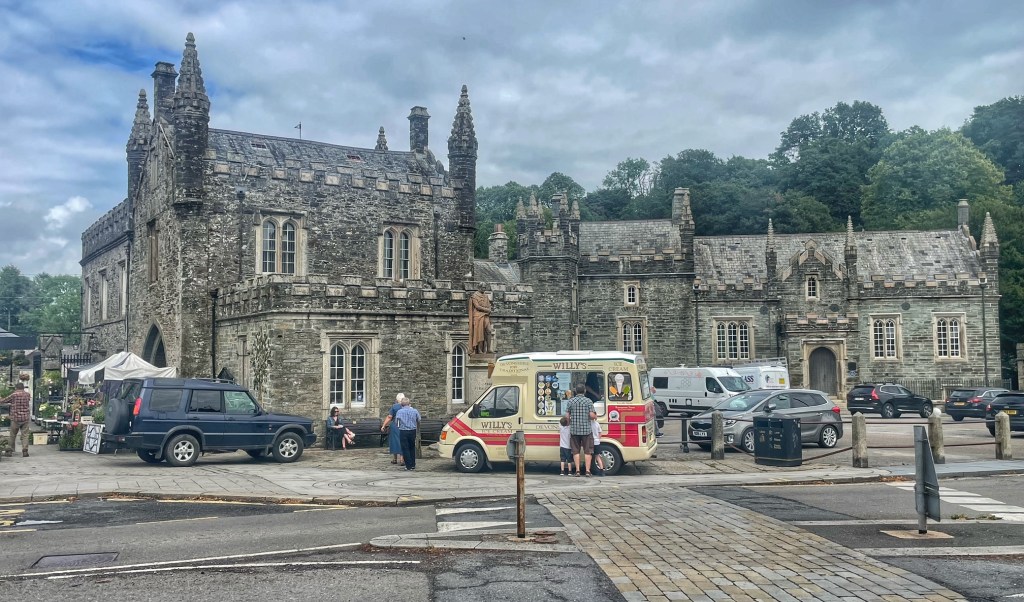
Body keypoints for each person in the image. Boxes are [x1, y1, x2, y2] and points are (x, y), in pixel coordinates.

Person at [564, 383, 596, 477]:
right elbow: (591, 415)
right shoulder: (588, 401)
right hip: (586, 430)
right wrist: (595, 416)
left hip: (574, 430)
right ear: (585, 391)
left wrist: (569, 423)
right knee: (588, 451)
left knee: (575, 451)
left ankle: (577, 471)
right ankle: (587, 471)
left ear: (575, 391)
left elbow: (567, 416)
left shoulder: (571, 401)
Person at [2, 382, 31, 457]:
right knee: (25, 435)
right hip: (25, 418)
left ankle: (10, 451)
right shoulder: (27, 394)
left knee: (12, 435)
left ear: (16, 388)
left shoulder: (14, 395)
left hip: (15, 418)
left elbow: (4, 401)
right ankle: (25, 450)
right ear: (23, 387)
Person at [394, 396, 421, 470]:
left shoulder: (399, 412)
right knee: (412, 447)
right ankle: (413, 464)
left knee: (405, 448)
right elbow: (418, 420)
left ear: (401, 405)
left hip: (403, 431)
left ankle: (408, 465)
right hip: (413, 430)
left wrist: (399, 426)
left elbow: (397, 422)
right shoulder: (415, 411)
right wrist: (417, 427)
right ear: (409, 404)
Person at [380, 393, 405, 465]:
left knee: (394, 442)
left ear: (397, 399)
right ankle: (402, 459)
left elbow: (389, 417)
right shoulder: (406, 406)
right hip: (404, 426)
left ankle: (394, 459)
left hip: (395, 425)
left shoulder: (394, 406)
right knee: (402, 441)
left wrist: (384, 425)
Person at [468, 284, 492, 355]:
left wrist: (489, 309)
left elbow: (489, 305)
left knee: (489, 331)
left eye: (485, 287)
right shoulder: (474, 296)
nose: (484, 289)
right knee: (479, 333)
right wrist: (487, 310)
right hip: (478, 316)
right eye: (483, 287)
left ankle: (489, 349)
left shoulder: (486, 296)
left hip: (485, 315)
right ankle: (479, 350)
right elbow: (477, 306)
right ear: (479, 287)